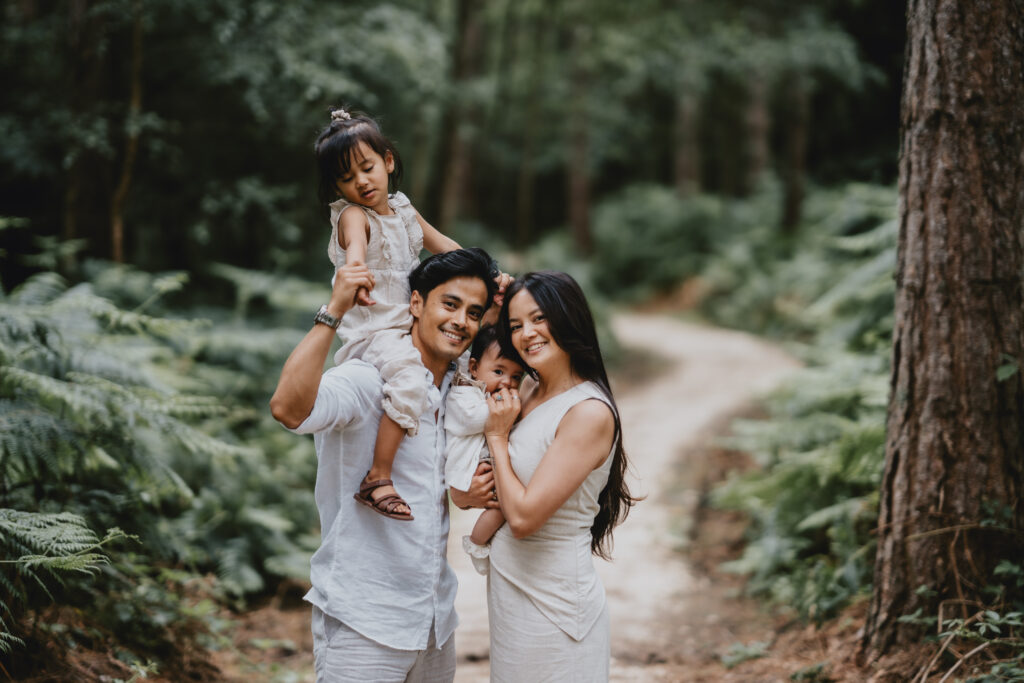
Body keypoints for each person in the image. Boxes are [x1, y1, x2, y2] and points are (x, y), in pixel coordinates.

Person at [269, 248, 501, 682]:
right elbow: (287, 408)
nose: (461, 321)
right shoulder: (366, 379)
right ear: (416, 303)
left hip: (435, 623)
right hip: (364, 623)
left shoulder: (457, 389)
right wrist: (334, 311)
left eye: (473, 312)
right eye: (449, 304)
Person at [483, 271, 639, 682]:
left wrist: (498, 437)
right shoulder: (531, 389)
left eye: (539, 318)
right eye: (516, 326)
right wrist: (499, 305)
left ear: (567, 317)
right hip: (512, 599)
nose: (526, 334)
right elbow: (477, 359)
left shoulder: (587, 411)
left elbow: (524, 519)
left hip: (554, 608)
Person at [314, 107, 466, 521]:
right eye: (347, 178)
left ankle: (472, 459)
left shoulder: (403, 210)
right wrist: (357, 276)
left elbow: (444, 247)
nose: (361, 182)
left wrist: (484, 270)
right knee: (410, 378)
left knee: (469, 358)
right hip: (377, 329)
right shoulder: (352, 217)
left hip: (411, 322)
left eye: (366, 168)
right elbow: (355, 253)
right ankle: (378, 477)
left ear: (388, 162)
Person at [443, 325, 526, 575]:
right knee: (502, 506)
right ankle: (477, 544)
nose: (507, 382)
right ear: (474, 367)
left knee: (502, 507)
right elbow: (471, 419)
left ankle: (479, 541)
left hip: (485, 458)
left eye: (516, 377)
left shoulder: (487, 395)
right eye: (498, 371)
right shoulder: (462, 393)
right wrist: (506, 409)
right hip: (470, 465)